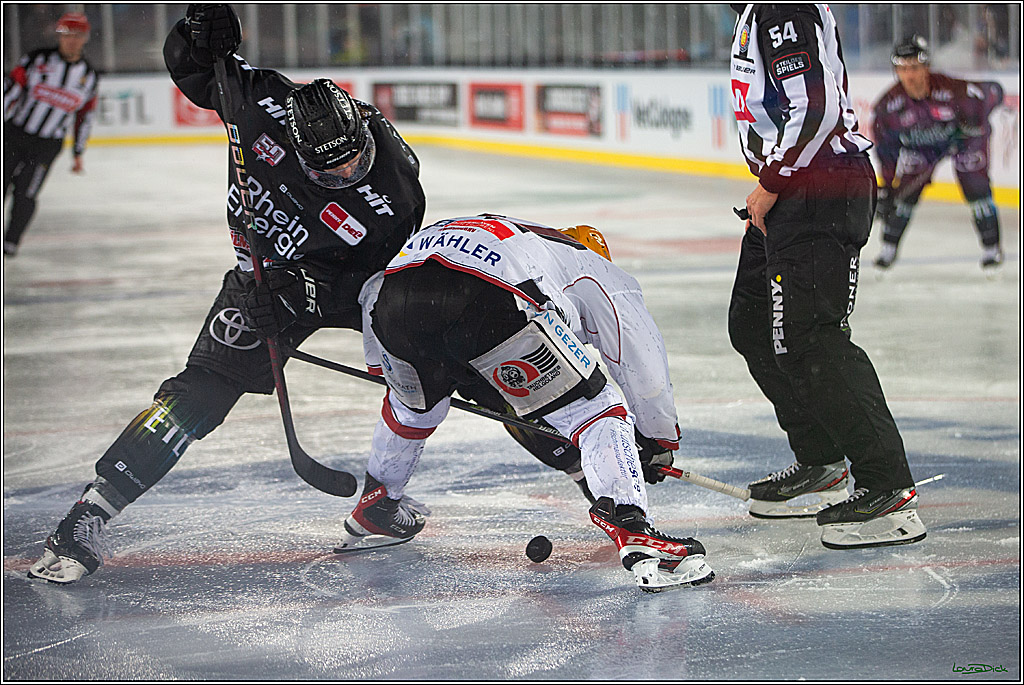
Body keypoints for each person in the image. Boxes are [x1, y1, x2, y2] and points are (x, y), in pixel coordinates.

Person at [27, 4, 427, 585]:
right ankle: (89, 512)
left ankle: (567, 455)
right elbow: (191, 70)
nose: (345, 176)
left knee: (435, 351)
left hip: (346, 279)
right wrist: (195, 35)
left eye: (354, 164)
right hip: (262, 276)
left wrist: (308, 297)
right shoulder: (261, 106)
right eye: (329, 172)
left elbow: (375, 287)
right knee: (200, 394)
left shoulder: (393, 197)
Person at [339, 214, 714, 592]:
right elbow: (642, 365)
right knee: (596, 408)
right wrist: (658, 441)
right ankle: (633, 529)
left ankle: (378, 505)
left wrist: (391, 367)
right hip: (488, 301)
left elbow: (376, 291)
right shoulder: (599, 270)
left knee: (413, 409)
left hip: (394, 301)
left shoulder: (523, 242)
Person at [727, 4, 926, 549]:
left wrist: (773, 179)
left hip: (820, 190)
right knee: (751, 326)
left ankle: (890, 491)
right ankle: (822, 462)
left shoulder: (783, 7)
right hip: (794, 194)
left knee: (812, 337)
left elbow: (812, 106)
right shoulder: (753, 12)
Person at [871, 35, 1005, 272]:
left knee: (975, 183)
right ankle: (888, 248)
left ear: (926, 67)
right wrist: (890, 187)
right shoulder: (887, 107)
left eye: (914, 68)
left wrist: (973, 125)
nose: (909, 76)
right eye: (902, 69)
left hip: (963, 142)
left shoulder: (955, 90)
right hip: (922, 148)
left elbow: (995, 92)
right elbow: (887, 152)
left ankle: (991, 247)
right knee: (905, 193)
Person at [3, 12, 98, 257]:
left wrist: (78, 152)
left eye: (77, 35)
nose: (71, 40)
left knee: (27, 193)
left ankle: (11, 241)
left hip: (47, 145)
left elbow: (84, 116)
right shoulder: (37, 60)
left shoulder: (89, 77)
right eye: (67, 34)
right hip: (15, 134)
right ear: (59, 35)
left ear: (85, 38)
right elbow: (12, 89)